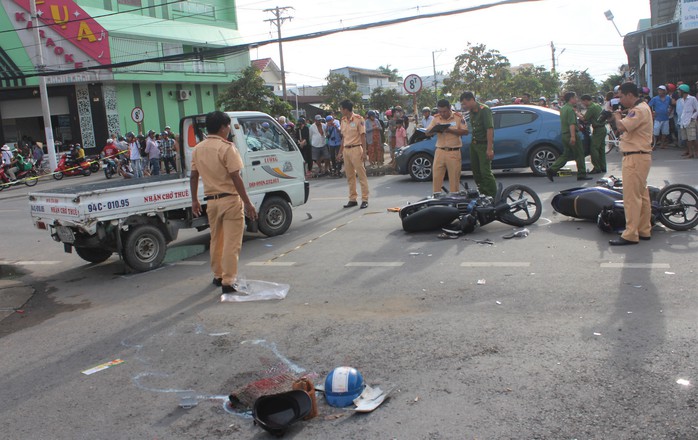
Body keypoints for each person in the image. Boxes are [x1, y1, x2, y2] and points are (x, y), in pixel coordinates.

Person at [189, 111, 257, 293]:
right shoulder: (227, 148)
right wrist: (248, 203)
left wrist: (194, 199)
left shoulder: (198, 148)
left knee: (216, 240)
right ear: (222, 127)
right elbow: (236, 177)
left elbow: (194, 176)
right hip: (230, 200)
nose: (228, 130)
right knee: (231, 243)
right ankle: (228, 280)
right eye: (228, 126)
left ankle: (218, 275)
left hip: (211, 202)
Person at [609, 82, 653, 246]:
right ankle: (643, 229)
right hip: (640, 156)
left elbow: (621, 127)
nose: (619, 100)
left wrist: (617, 116)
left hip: (635, 157)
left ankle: (630, 234)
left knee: (631, 197)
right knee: (642, 195)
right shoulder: (642, 107)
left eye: (621, 96)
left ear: (629, 95)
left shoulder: (638, 110)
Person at [546, 91, 592, 181]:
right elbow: (571, 124)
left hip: (564, 134)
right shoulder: (570, 109)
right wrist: (573, 136)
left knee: (566, 154)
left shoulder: (563, 109)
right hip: (571, 134)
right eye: (575, 97)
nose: (577, 99)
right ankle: (582, 174)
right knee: (579, 154)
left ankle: (552, 169)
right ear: (571, 99)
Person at [426, 99, 469, 193]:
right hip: (440, 151)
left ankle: (454, 199)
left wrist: (450, 130)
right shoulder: (436, 118)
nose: (442, 114)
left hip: (453, 152)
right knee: (437, 178)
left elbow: (465, 131)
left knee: (454, 179)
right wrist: (435, 129)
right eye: (440, 111)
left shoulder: (458, 117)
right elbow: (427, 133)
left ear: (450, 108)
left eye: (444, 111)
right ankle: (436, 199)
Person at [460, 91, 496, 197]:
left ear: (472, 100)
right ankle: (484, 194)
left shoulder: (484, 110)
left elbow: (489, 130)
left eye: (465, 103)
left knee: (485, 172)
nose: (464, 106)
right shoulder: (471, 111)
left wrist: (489, 149)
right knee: (476, 172)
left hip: (483, 145)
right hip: (474, 145)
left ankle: (494, 196)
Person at [338, 99, 369, 209]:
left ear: (346, 109)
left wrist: (364, 152)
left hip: (356, 149)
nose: (340, 110)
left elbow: (363, 136)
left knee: (361, 175)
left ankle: (365, 199)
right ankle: (352, 199)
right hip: (346, 150)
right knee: (350, 176)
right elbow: (343, 137)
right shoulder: (343, 120)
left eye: (341, 109)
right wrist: (340, 152)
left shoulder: (358, 119)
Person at [580, 94, 607, 174]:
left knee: (593, 149)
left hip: (598, 130)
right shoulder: (597, 106)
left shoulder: (591, 108)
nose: (583, 104)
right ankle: (603, 167)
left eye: (582, 102)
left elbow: (584, 119)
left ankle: (597, 167)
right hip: (602, 129)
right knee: (601, 149)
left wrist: (577, 114)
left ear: (586, 100)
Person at [648, 85, 672, 149]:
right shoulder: (655, 98)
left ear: (664, 91)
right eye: (659, 90)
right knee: (655, 132)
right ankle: (654, 145)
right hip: (657, 118)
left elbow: (671, 105)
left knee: (665, 132)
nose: (659, 91)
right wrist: (651, 113)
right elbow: (649, 106)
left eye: (661, 90)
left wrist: (669, 112)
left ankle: (662, 144)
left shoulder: (668, 98)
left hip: (665, 118)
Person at [678, 83, 698, 158]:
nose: (678, 92)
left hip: (690, 120)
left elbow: (697, 109)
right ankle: (690, 152)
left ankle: (695, 152)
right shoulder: (681, 100)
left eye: (679, 91)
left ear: (683, 91)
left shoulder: (692, 99)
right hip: (683, 121)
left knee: (693, 138)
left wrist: (693, 117)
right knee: (686, 139)